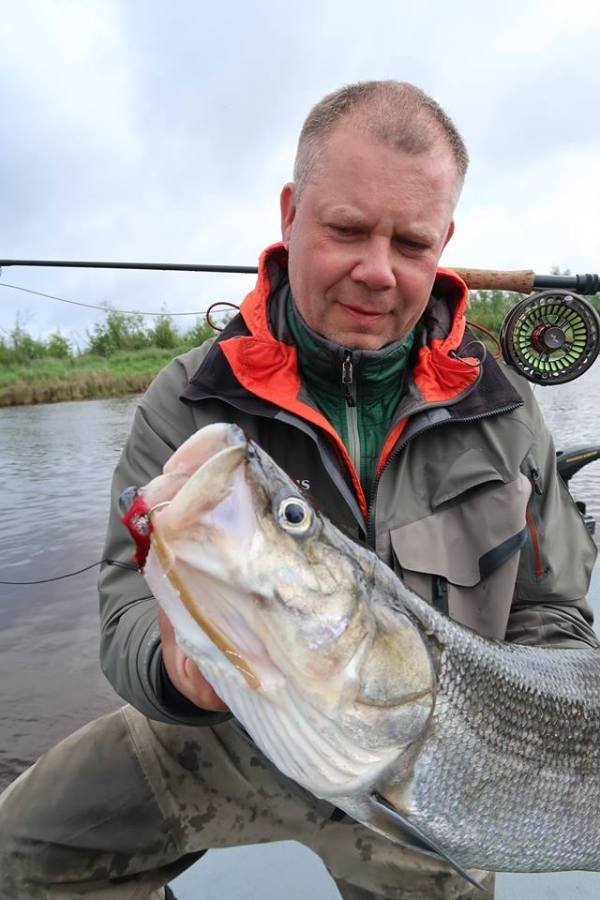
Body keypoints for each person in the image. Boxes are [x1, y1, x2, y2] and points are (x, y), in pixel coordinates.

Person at [0, 80, 598, 900]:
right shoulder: (190, 398)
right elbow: (123, 605)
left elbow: (555, 615)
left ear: (445, 243)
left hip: (424, 748)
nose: (377, 271)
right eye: (346, 229)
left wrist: (514, 731)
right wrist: (177, 676)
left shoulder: (502, 407)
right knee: (22, 852)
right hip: (231, 722)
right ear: (290, 214)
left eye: (412, 243)